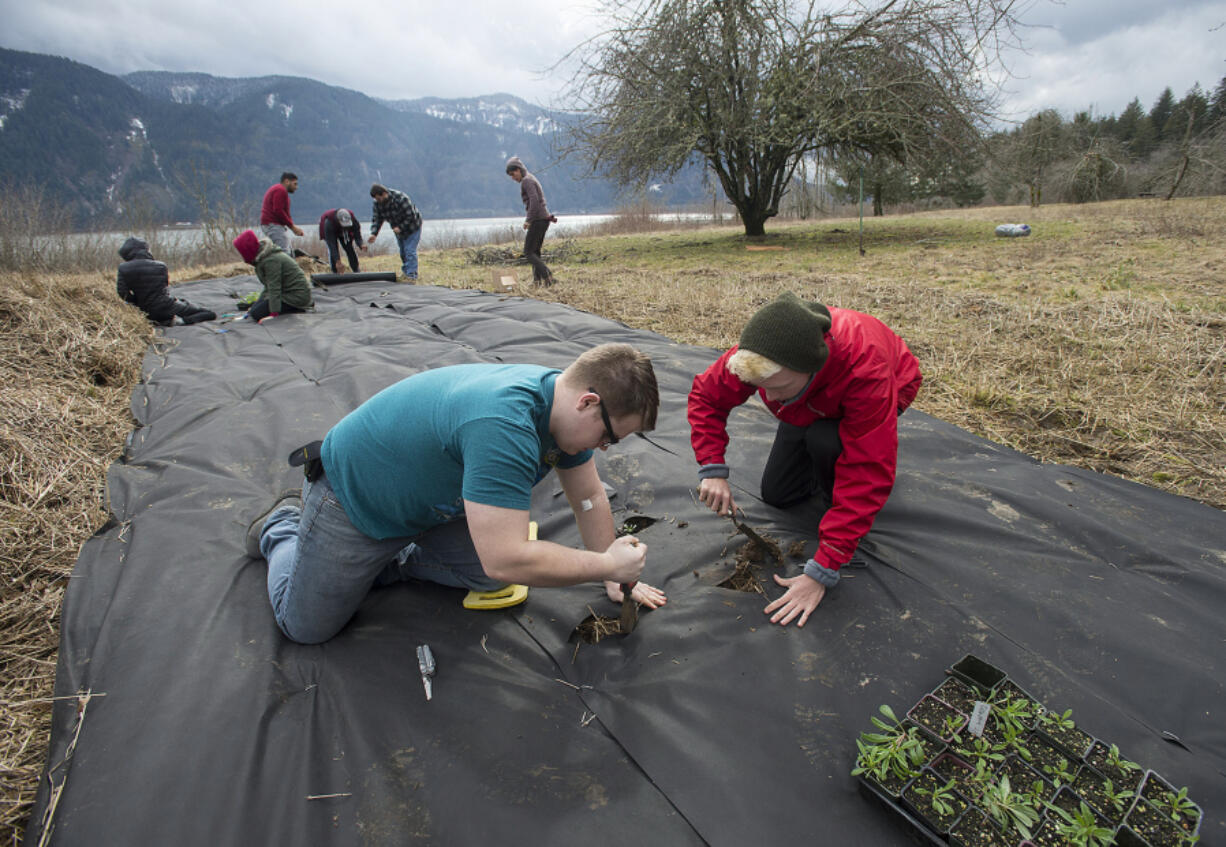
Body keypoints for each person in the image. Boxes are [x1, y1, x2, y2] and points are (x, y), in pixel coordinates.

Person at [244, 343, 668, 644]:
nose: (604, 448)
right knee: (306, 628)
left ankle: (382, 562)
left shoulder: (562, 413)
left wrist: (615, 573)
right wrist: (602, 564)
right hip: (357, 502)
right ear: (588, 402)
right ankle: (284, 526)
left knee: (487, 575)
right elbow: (506, 558)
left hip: (429, 506)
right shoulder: (504, 425)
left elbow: (588, 496)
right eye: (609, 436)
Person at [688, 291, 922, 628]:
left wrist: (823, 570)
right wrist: (712, 468)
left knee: (827, 441)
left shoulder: (866, 373)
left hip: (888, 382)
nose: (768, 398)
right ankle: (821, 461)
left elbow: (868, 472)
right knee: (777, 493)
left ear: (810, 369)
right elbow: (707, 398)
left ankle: (835, 509)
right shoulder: (760, 351)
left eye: (778, 387)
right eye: (761, 388)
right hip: (811, 402)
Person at [116, 237, 216, 326]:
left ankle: (164, 321)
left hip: (144, 311)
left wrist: (137, 303)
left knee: (176, 305)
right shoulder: (160, 266)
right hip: (165, 307)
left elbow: (123, 293)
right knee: (209, 313)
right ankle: (183, 321)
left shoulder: (123, 268)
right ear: (145, 250)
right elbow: (164, 288)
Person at [232, 229, 313, 323]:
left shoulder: (271, 261)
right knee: (254, 310)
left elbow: (274, 288)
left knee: (257, 314)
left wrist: (274, 314)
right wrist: (252, 309)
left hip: (297, 296)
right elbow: (268, 287)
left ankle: (298, 308)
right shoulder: (264, 258)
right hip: (286, 293)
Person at [505, 156, 557, 286]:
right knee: (535, 252)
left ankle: (548, 276)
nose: (513, 178)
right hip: (543, 219)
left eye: (513, 174)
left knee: (528, 252)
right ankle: (537, 281)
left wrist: (528, 220)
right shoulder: (530, 178)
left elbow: (534, 201)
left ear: (518, 170)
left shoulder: (526, 181)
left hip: (538, 220)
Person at [367, 183, 423, 281]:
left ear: (384, 194)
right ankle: (406, 272)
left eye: (379, 198)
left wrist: (401, 227)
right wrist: (374, 233)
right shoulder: (377, 204)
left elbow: (411, 216)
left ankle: (412, 275)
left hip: (413, 227)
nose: (378, 201)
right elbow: (377, 219)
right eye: (376, 199)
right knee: (403, 252)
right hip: (398, 230)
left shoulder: (401, 198)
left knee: (410, 250)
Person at [260, 172, 304, 251]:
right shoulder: (280, 190)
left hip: (273, 225)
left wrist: (293, 227)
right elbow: (278, 210)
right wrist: (292, 226)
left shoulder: (280, 191)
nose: (296, 187)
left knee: (287, 251)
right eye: (295, 184)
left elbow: (285, 213)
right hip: (272, 225)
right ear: (287, 181)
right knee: (283, 251)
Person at [319, 207, 365, 273]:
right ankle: (335, 271)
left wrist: (360, 244)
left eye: (346, 226)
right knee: (333, 251)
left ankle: (356, 269)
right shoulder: (328, 223)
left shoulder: (352, 219)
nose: (345, 227)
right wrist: (338, 261)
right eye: (344, 225)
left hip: (342, 230)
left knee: (349, 248)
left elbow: (357, 233)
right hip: (330, 230)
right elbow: (332, 245)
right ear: (338, 221)